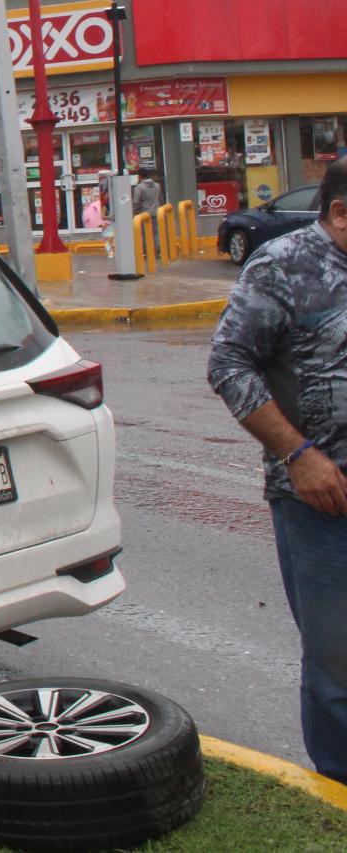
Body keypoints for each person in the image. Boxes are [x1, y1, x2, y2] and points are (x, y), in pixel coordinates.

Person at [207, 154, 347, 783]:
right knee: (338, 663)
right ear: (339, 212)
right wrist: (298, 456)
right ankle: (338, 792)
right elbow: (228, 365)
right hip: (323, 499)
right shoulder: (281, 266)